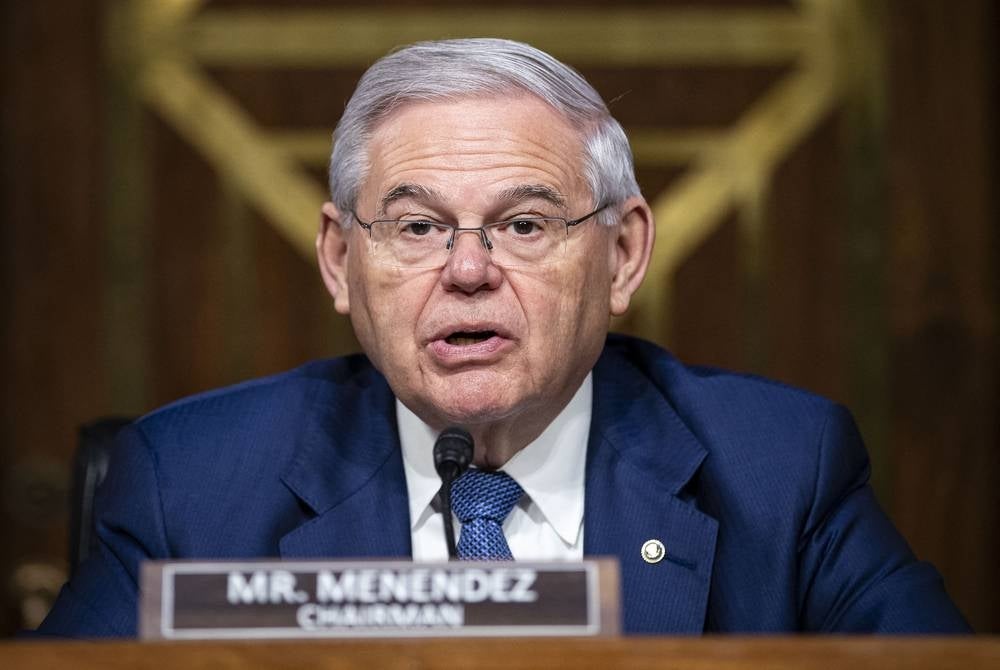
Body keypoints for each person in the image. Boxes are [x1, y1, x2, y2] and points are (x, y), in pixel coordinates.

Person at [38, 38, 969, 636]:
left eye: (524, 224)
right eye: (416, 226)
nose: (469, 270)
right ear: (340, 259)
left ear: (622, 255)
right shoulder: (190, 486)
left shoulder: (779, 470)